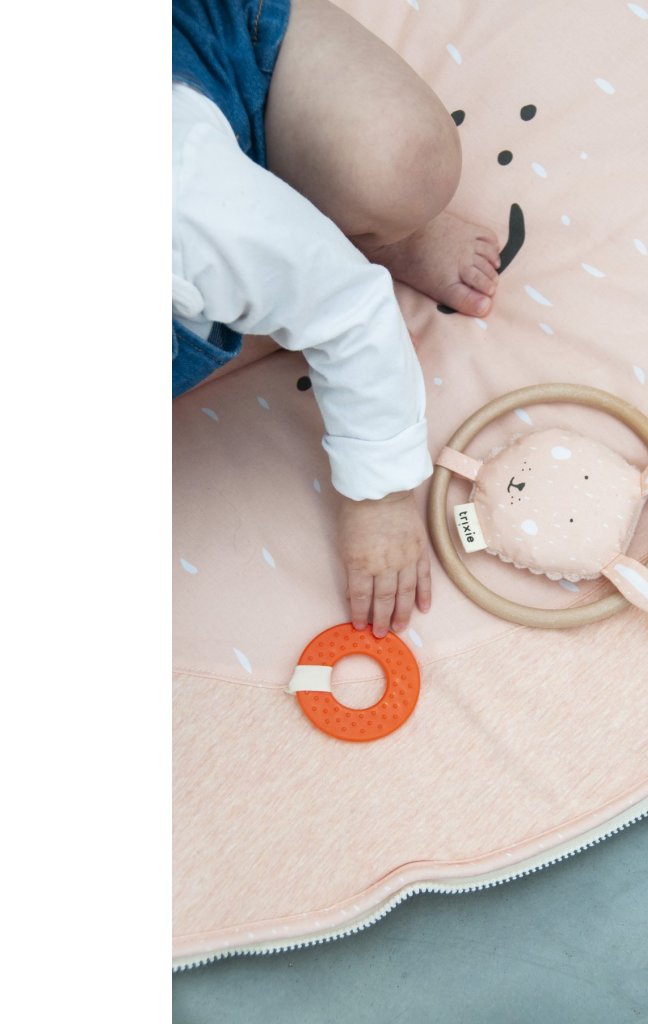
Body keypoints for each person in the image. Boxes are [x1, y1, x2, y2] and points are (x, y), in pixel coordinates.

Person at [172, 0, 501, 639]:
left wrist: (380, 495)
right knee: (257, 272)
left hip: (224, 52)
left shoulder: (180, 206)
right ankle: (288, 255)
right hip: (212, 237)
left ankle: (371, 231)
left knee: (404, 165)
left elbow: (348, 309)